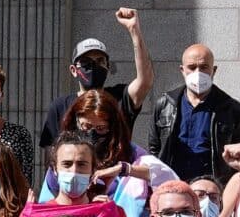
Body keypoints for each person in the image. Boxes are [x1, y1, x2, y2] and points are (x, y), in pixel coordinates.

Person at [41, 8, 155, 152]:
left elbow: (145, 81)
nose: (94, 66)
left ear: (107, 66)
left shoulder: (119, 98)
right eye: (86, 62)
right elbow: (51, 154)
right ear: (73, 70)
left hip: (115, 173)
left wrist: (134, 30)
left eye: (100, 61)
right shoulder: (60, 106)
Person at [143, 42, 240, 182]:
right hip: (173, 186)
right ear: (182, 70)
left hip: (213, 189)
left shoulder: (232, 109)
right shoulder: (165, 104)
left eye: (204, 67)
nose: (198, 73)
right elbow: (154, 148)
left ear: (214, 70)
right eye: (192, 67)